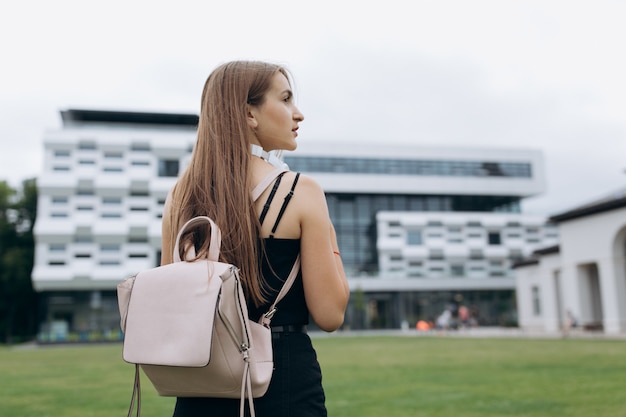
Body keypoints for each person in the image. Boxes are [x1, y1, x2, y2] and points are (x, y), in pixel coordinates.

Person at [160, 61, 350, 417]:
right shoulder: (300, 191)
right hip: (284, 383)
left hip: (200, 384)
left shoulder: (181, 196)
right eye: (286, 99)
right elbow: (330, 314)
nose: (299, 114)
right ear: (249, 114)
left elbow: (174, 303)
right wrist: (329, 236)